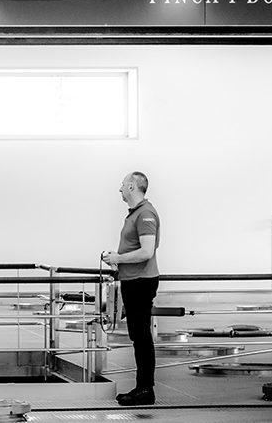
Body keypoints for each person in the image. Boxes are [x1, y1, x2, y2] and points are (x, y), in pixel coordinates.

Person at [102, 171, 160, 407]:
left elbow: (147, 251)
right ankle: (142, 388)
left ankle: (145, 390)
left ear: (133, 187)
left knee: (142, 337)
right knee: (138, 336)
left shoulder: (145, 214)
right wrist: (118, 259)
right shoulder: (136, 213)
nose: (120, 189)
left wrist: (118, 258)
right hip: (133, 279)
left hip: (141, 281)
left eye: (123, 184)